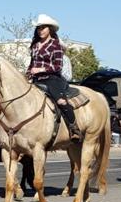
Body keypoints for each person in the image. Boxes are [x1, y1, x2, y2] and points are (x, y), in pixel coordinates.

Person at [26, 13, 80, 142]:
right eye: (39, 28)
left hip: (52, 79)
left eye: (43, 28)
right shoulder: (34, 45)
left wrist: (41, 69)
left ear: (50, 29)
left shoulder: (55, 45)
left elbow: (57, 66)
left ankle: (74, 127)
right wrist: (28, 73)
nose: (40, 31)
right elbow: (31, 64)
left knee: (61, 101)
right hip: (36, 80)